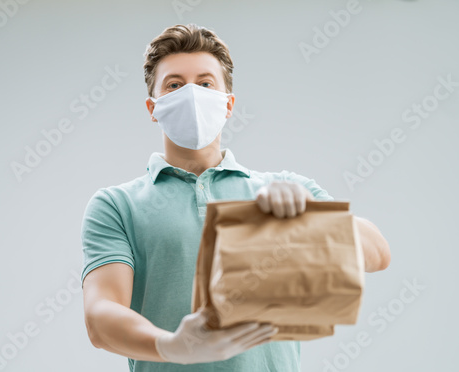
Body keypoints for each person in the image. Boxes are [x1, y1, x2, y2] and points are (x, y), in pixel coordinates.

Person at [80, 23, 391, 371]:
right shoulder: (116, 205)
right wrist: (170, 346)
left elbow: (377, 253)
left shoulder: (284, 189)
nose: (192, 94)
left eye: (205, 83)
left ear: (227, 104)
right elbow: (100, 314)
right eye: (175, 85)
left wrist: (309, 217)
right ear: (153, 108)